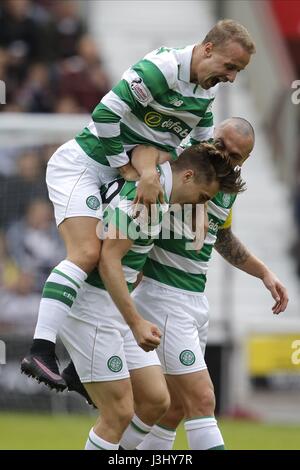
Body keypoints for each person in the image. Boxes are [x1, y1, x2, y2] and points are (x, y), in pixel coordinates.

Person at [21, 19, 255, 390]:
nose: (231, 77)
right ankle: (41, 349)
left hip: (119, 174)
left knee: (137, 258)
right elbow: (103, 115)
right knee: (86, 253)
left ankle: (80, 368)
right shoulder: (159, 69)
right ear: (208, 49)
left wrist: (214, 178)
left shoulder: (204, 96)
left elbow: (200, 152)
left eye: (238, 72)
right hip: (84, 164)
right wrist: (131, 169)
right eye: (230, 66)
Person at [58, 143, 244, 450]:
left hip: (118, 309)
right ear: (186, 176)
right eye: (202, 197)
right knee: (122, 412)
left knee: (160, 402)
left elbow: (134, 258)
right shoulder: (148, 196)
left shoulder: (165, 198)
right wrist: (136, 322)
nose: (201, 205)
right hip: (95, 307)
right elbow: (109, 261)